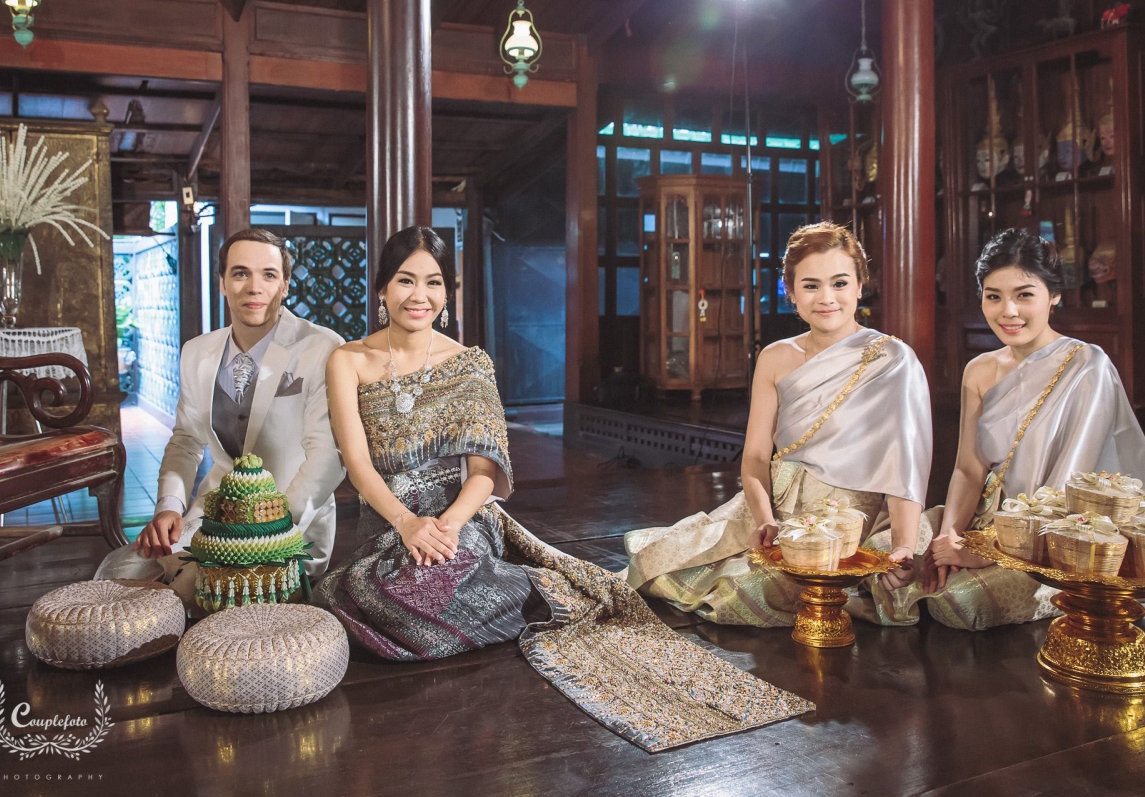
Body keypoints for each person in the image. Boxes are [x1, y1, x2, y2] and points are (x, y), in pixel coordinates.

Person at [312, 226, 812, 753]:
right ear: (382, 288)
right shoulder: (348, 360)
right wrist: (408, 524)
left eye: (433, 282)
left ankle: (534, 593)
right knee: (361, 595)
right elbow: (357, 463)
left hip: (460, 520)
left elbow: (484, 472)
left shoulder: (468, 363)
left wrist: (450, 525)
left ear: (447, 292)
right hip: (390, 520)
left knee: (421, 590)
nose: (420, 295)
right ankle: (517, 596)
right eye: (405, 280)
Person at [623, 223, 933, 627]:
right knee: (653, 563)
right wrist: (764, 519)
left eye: (840, 283)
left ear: (860, 286)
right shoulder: (774, 357)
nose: (827, 298)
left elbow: (906, 467)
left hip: (849, 522)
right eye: (811, 286)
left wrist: (904, 545)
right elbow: (755, 457)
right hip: (776, 509)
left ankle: (847, 595)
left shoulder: (893, 359)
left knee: (750, 591)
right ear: (791, 292)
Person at [887, 228, 1145, 629]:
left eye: (1024, 295)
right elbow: (968, 469)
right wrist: (949, 537)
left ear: (1054, 295)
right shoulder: (979, 370)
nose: (1008, 311)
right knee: (885, 556)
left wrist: (989, 552)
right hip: (984, 518)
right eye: (993, 296)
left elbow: (1066, 486)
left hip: (1052, 537)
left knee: (958, 602)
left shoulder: (1086, 365)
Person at [95, 228, 345, 602]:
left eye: (269, 275)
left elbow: (328, 455)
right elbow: (185, 441)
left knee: (192, 592)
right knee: (118, 575)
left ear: (285, 285)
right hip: (214, 516)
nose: (254, 287)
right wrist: (169, 508)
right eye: (241, 273)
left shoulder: (322, 346)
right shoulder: (196, 352)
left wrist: (269, 525)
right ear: (223, 283)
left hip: (290, 524)